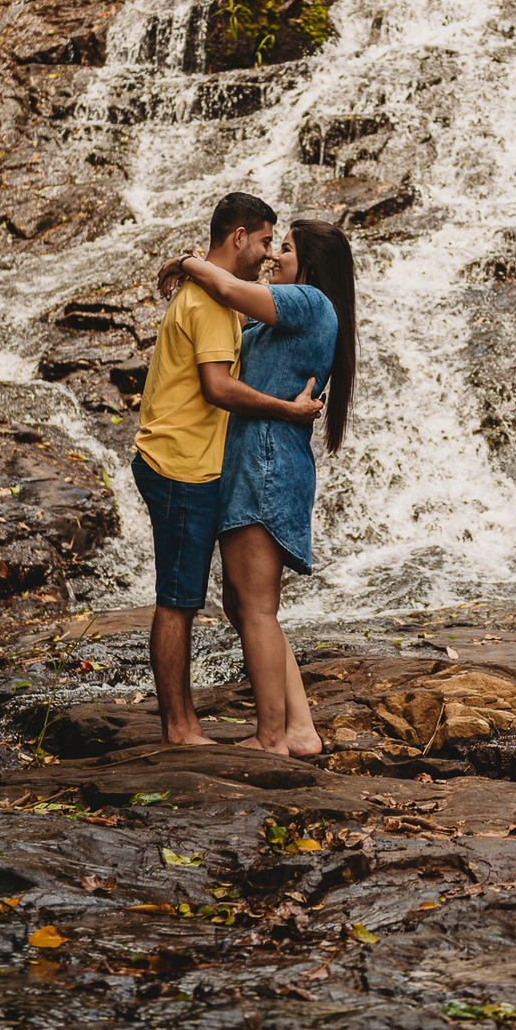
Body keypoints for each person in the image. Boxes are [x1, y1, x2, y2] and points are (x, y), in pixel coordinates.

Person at [158, 219, 356, 758]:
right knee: (248, 606)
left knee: (257, 610)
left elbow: (225, 287)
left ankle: (271, 739)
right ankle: (299, 730)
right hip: (254, 465)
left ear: (309, 266)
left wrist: (185, 263)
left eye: (284, 250)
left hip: (266, 466)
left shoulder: (310, 302)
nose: (274, 259)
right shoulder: (286, 316)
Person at [133, 192, 322, 746]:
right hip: (181, 464)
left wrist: (186, 260)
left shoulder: (212, 294)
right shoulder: (213, 302)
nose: (268, 255)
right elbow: (217, 388)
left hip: (188, 461)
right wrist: (288, 410)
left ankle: (205, 723)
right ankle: (180, 727)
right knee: (179, 599)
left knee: (196, 597)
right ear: (238, 236)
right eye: (266, 241)